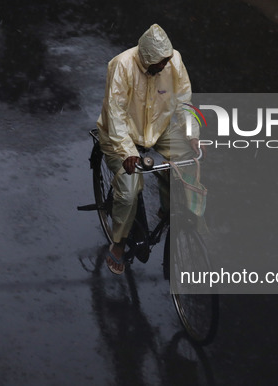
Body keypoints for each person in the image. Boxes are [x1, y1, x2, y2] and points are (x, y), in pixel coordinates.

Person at [96, 24, 200, 275]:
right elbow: (116, 114)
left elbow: (185, 101)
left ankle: (167, 205)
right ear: (145, 59)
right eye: (159, 63)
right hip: (120, 135)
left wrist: (193, 136)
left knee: (187, 159)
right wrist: (128, 152)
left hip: (158, 127)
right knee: (129, 191)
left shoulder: (174, 60)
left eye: (166, 61)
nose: (164, 66)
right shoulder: (121, 65)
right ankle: (118, 242)